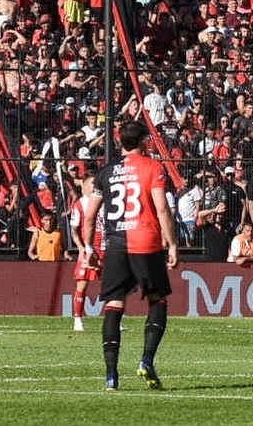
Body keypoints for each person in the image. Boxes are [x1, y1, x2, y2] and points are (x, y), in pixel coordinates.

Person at [87, 119, 178, 391]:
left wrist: (88, 248)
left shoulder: (105, 172)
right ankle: (146, 360)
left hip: (114, 246)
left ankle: (111, 376)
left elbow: (90, 216)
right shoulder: (153, 167)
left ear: (119, 142)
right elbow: (162, 209)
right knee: (157, 300)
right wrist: (172, 244)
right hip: (146, 243)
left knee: (114, 305)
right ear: (143, 141)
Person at [70, 175, 103, 332]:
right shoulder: (80, 204)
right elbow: (74, 230)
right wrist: (81, 247)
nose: (93, 186)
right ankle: (78, 319)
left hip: (105, 248)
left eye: (95, 183)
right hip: (88, 249)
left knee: (112, 284)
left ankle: (116, 320)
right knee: (82, 284)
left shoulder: (104, 201)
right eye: (91, 183)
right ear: (84, 185)